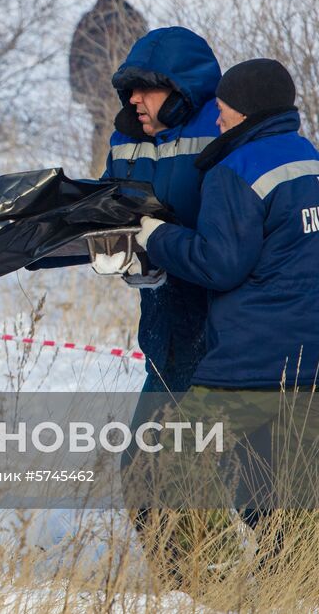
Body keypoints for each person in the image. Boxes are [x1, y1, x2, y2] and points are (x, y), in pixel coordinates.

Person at [136, 58, 319, 591]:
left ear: (246, 112)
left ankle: (208, 582)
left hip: (261, 358)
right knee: (294, 489)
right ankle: (305, 593)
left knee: (171, 453)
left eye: (222, 111)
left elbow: (220, 264)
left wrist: (156, 236)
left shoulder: (239, 169)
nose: (217, 122)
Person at [103, 26, 223, 392]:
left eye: (146, 88)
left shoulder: (222, 133)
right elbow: (107, 209)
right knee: (144, 451)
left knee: (195, 449)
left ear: (181, 89)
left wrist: (162, 239)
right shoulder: (125, 141)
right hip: (162, 337)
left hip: (221, 347)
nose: (134, 99)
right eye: (130, 89)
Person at [69, 0, 148, 171]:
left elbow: (75, 56)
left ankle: (97, 171)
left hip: (95, 89)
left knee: (100, 130)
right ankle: (123, 173)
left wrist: (78, 89)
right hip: (128, 88)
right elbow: (147, 56)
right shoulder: (134, 18)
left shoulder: (90, 19)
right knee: (130, 132)